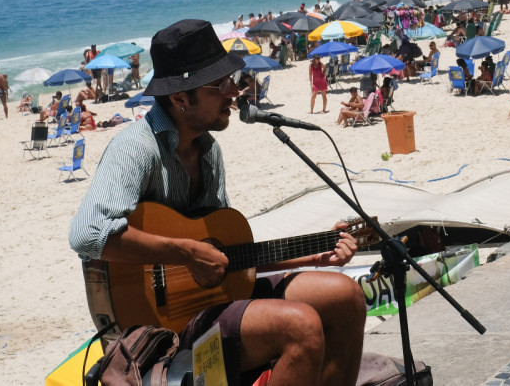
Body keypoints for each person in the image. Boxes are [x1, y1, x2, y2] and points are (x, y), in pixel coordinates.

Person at [69, 20, 364, 386]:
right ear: (179, 98)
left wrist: (315, 255)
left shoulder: (208, 150)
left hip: (211, 302)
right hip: (157, 328)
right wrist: (187, 254)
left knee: (346, 296)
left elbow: (228, 257)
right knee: (299, 326)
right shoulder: (136, 148)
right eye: (220, 84)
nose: (234, 92)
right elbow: (87, 235)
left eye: (232, 80)